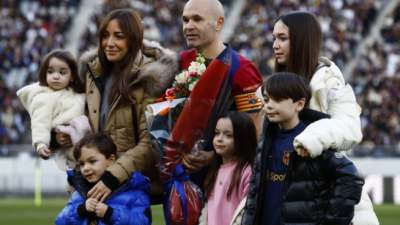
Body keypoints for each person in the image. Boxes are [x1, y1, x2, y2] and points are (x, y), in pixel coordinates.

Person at [53, 8, 179, 203]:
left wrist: (112, 176)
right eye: (105, 35)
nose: (109, 43)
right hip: (94, 184)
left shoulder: (150, 80)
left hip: (129, 187)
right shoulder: (92, 75)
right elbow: (88, 129)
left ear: (134, 39)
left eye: (118, 36)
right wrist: (62, 138)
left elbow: (151, 144)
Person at [267, 11, 379, 224]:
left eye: (282, 38)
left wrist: (311, 137)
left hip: (325, 198)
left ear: (302, 39)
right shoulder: (271, 87)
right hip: (286, 201)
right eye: (274, 38)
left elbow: (350, 127)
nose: (274, 45)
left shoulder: (329, 83)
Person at [242, 72, 364, 225]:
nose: (269, 105)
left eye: (278, 99)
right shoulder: (265, 139)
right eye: (266, 99)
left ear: (299, 104)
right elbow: (254, 192)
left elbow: (351, 176)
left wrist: (334, 221)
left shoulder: (312, 139)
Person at [180, 0, 263, 189]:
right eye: (185, 20)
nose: (189, 26)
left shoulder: (242, 69)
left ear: (219, 23)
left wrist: (214, 156)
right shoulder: (181, 61)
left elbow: (254, 132)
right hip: (181, 179)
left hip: (224, 182)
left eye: (197, 19)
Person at [55, 132, 151, 225]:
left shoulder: (134, 193)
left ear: (111, 160)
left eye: (92, 161)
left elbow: (142, 221)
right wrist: (80, 210)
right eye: (82, 164)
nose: (86, 168)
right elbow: (60, 221)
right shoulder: (79, 193)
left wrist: (110, 213)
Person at [16, 49, 89, 170]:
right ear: (44, 74)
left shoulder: (77, 93)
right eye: (50, 71)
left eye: (62, 72)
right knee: (87, 162)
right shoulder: (43, 98)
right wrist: (41, 144)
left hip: (86, 137)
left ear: (72, 76)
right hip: (67, 143)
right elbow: (40, 122)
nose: (56, 76)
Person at [198, 111, 256, 225]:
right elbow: (209, 209)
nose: (219, 139)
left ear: (243, 138)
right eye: (216, 133)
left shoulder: (247, 172)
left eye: (228, 135)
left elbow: (247, 212)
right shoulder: (215, 170)